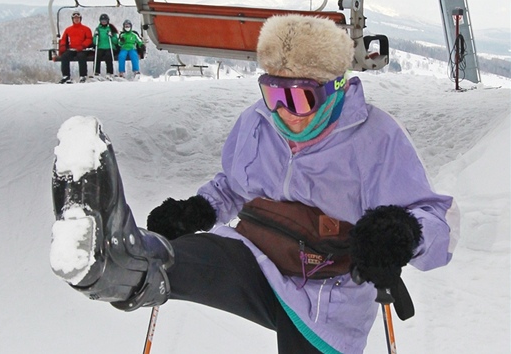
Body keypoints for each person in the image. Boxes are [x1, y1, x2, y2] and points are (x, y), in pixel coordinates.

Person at [49, 15, 459, 353]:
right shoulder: (257, 123)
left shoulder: (377, 138)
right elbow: (233, 185)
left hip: (326, 290)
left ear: (334, 90)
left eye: (299, 98)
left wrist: (403, 235)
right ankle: (119, 262)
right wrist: (199, 209)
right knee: (183, 257)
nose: (283, 112)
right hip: (259, 259)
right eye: (272, 93)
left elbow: (437, 224)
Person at [57, 11, 93, 84]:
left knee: (81, 56)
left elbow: (89, 39)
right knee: (64, 56)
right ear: (72, 19)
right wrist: (63, 46)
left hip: (83, 49)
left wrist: (83, 46)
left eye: (78, 18)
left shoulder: (86, 29)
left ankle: (83, 75)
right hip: (72, 49)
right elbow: (64, 39)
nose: (76, 20)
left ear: (80, 19)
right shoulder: (68, 30)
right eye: (75, 18)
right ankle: (66, 76)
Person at [93, 13, 118, 78]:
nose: (103, 22)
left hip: (110, 47)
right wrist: (96, 36)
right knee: (97, 55)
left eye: (105, 21)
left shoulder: (111, 28)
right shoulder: (98, 29)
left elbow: (115, 41)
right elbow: (95, 41)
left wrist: (111, 36)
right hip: (100, 47)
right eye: (102, 21)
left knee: (108, 56)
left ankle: (110, 72)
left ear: (107, 21)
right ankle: (96, 72)